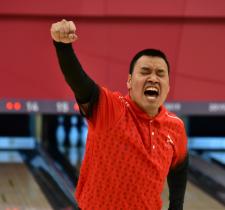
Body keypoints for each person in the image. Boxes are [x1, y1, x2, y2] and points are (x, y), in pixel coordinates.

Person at [50, 19, 188, 210]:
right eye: (145, 71)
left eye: (160, 73)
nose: (153, 78)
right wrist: (63, 47)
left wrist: (177, 206)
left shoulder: (175, 127)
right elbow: (80, 82)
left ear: (168, 86)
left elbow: (179, 166)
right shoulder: (112, 109)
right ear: (129, 82)